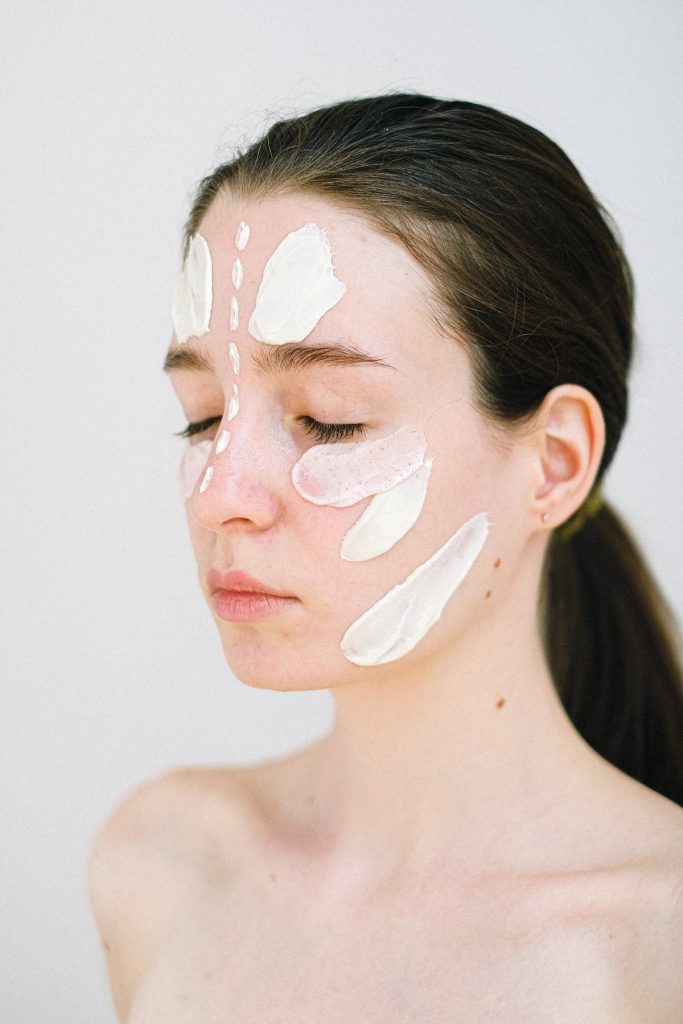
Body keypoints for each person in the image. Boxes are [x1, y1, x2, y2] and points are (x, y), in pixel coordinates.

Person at [88, 95, 683, 1022]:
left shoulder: (656, 942)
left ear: (554, 462)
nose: (217, 491)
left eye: (331, 416)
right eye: (201, 414)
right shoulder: (159, 866)